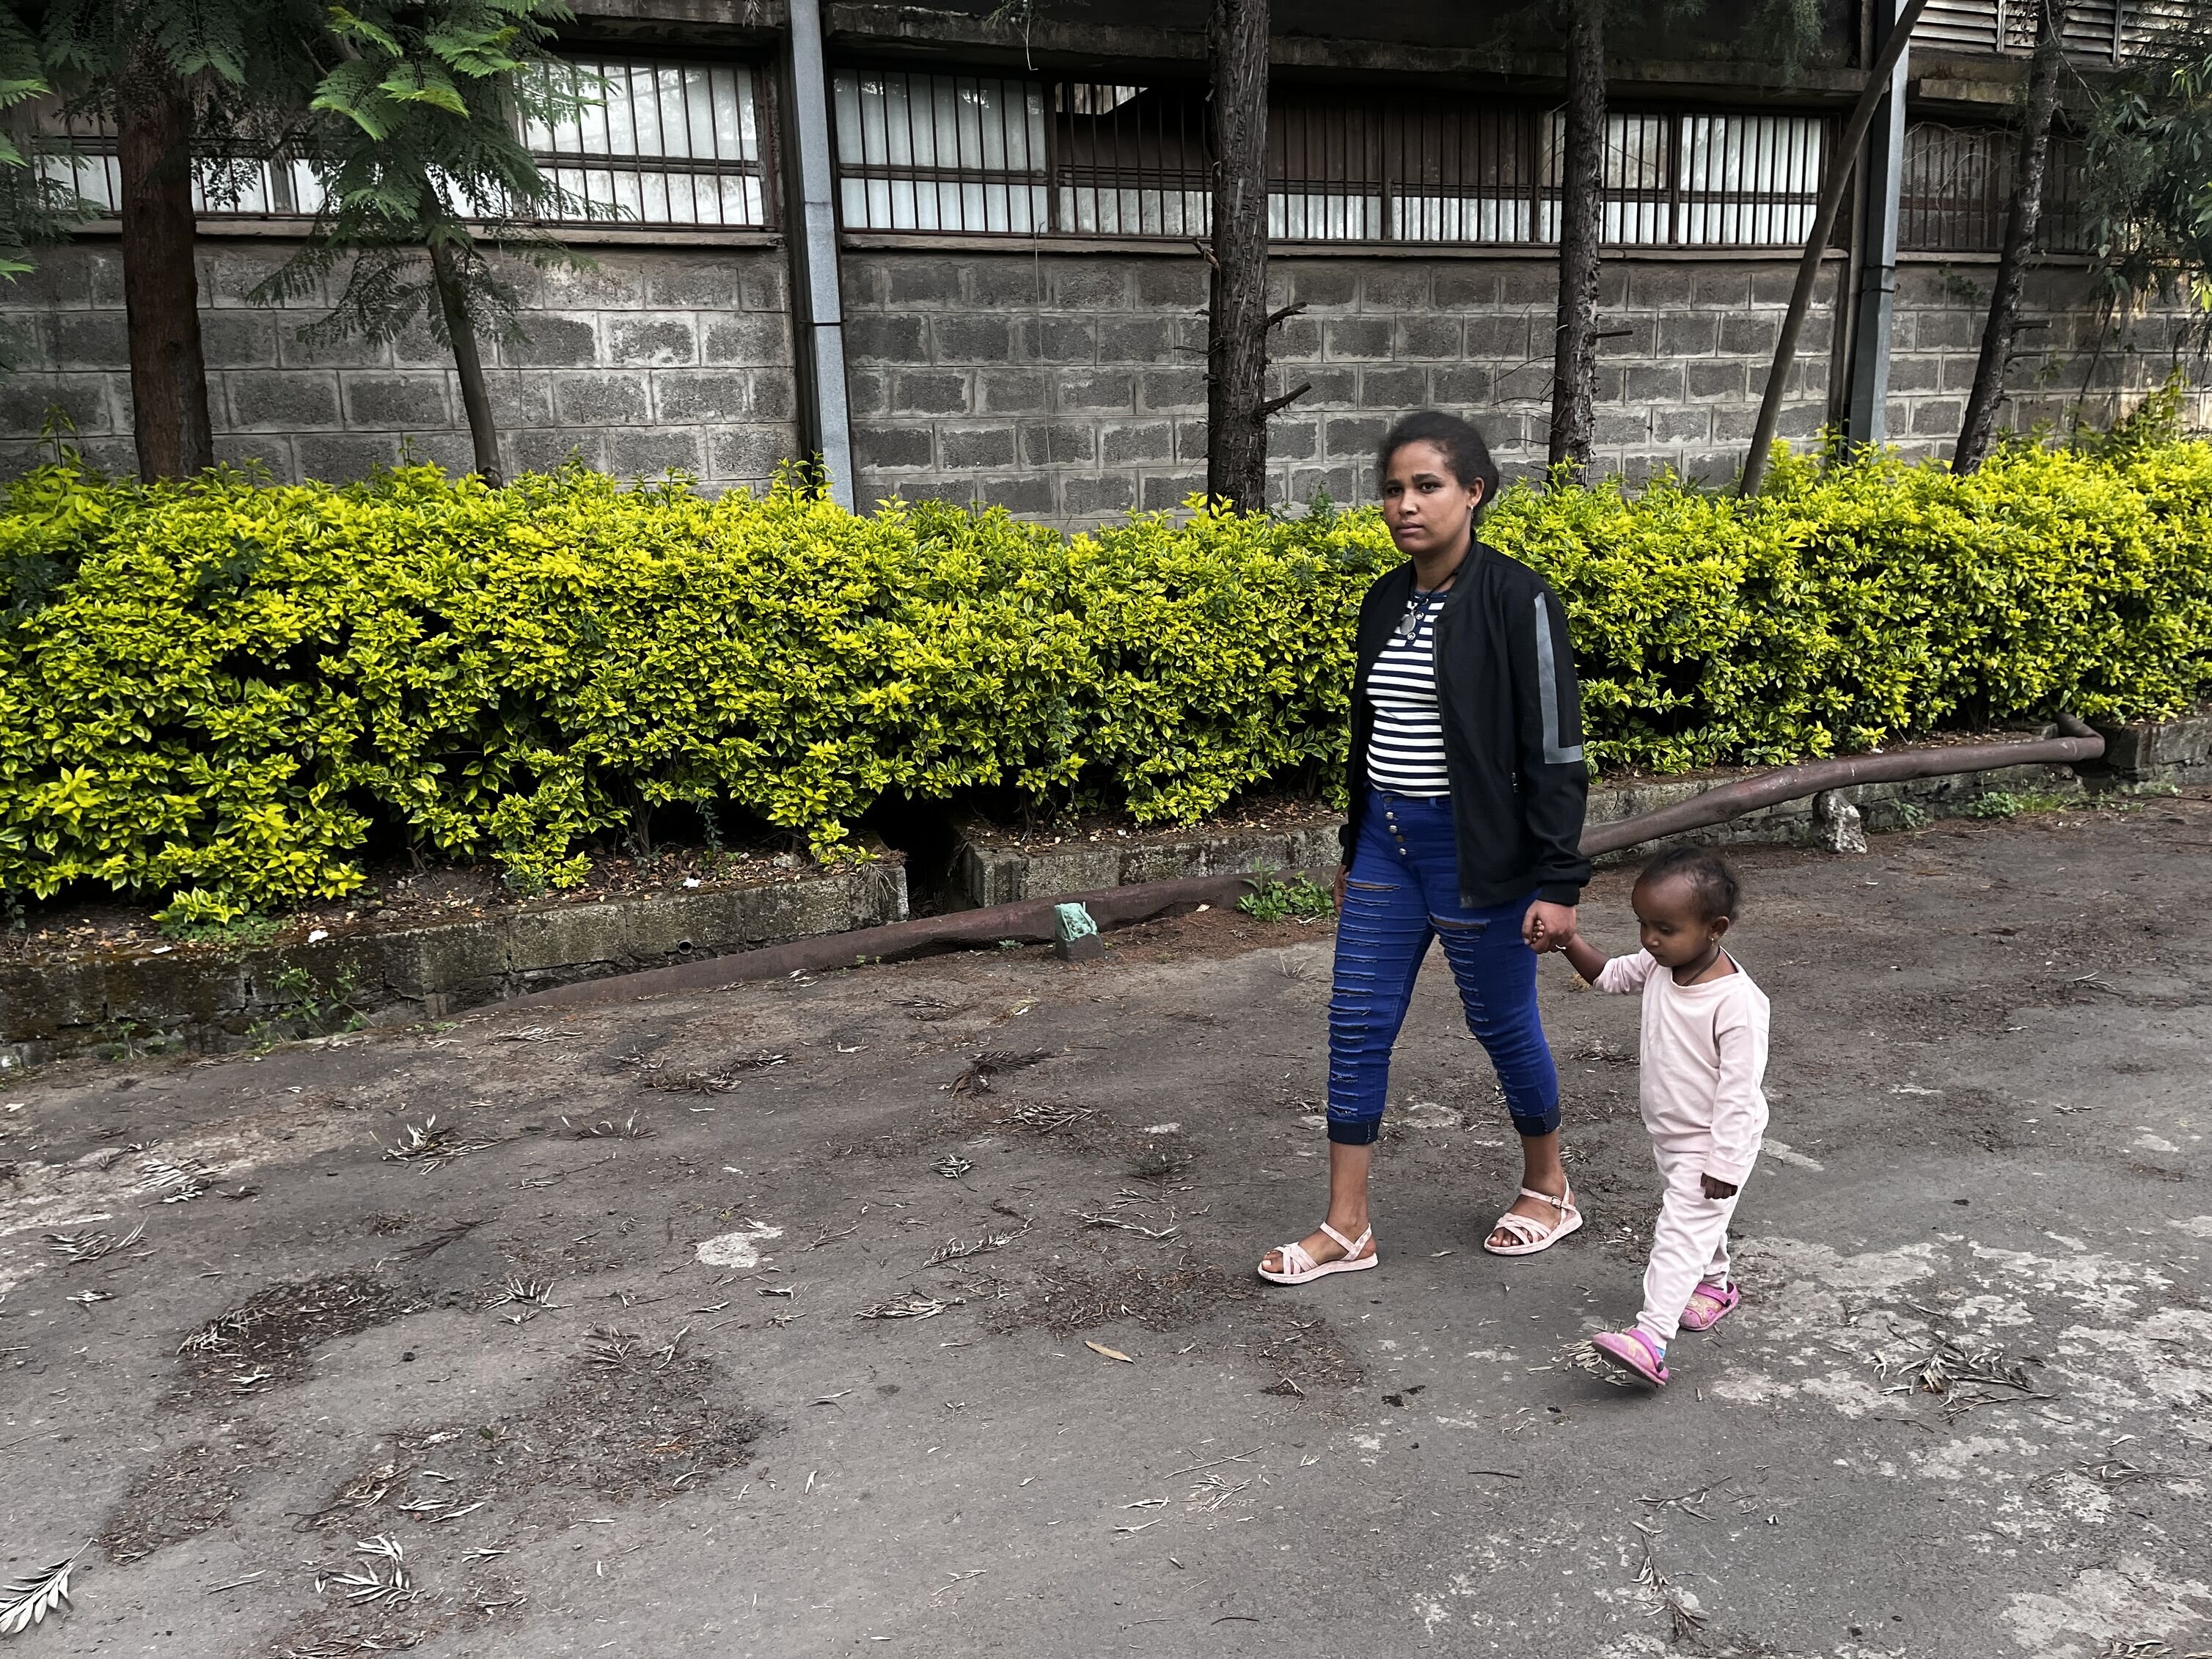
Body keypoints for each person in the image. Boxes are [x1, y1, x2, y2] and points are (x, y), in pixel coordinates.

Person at [1259, 411, 1591, 1286]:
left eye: (1426, 486)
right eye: (1393, 490)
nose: (1405, 505)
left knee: (1499, 1020)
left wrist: (1558, 879)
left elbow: (1555, 752)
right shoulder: (1382, 599)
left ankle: (1549, 1187)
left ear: (1473, 491)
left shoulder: (1518, 600)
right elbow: (1369, 733)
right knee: (1357, 1024)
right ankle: (1347, 1227)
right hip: (1385, 847)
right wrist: (1349, 843)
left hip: (1480, 853)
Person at [1546, 846, 1770, 1390]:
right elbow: (1609, 976)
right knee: (1697, 1228)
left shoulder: (1738, 1004)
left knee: (1678, 1231)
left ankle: (1650, 1338)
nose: (1649, 938)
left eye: (1664, 928)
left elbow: (1741, 1095)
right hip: (1669, 1135)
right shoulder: (1660, 964)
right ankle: (1715, 1286)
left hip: (1712, 1144)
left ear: (1714, 928)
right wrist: (1568, 941)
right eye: (1643, 924)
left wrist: (1725, 1162)